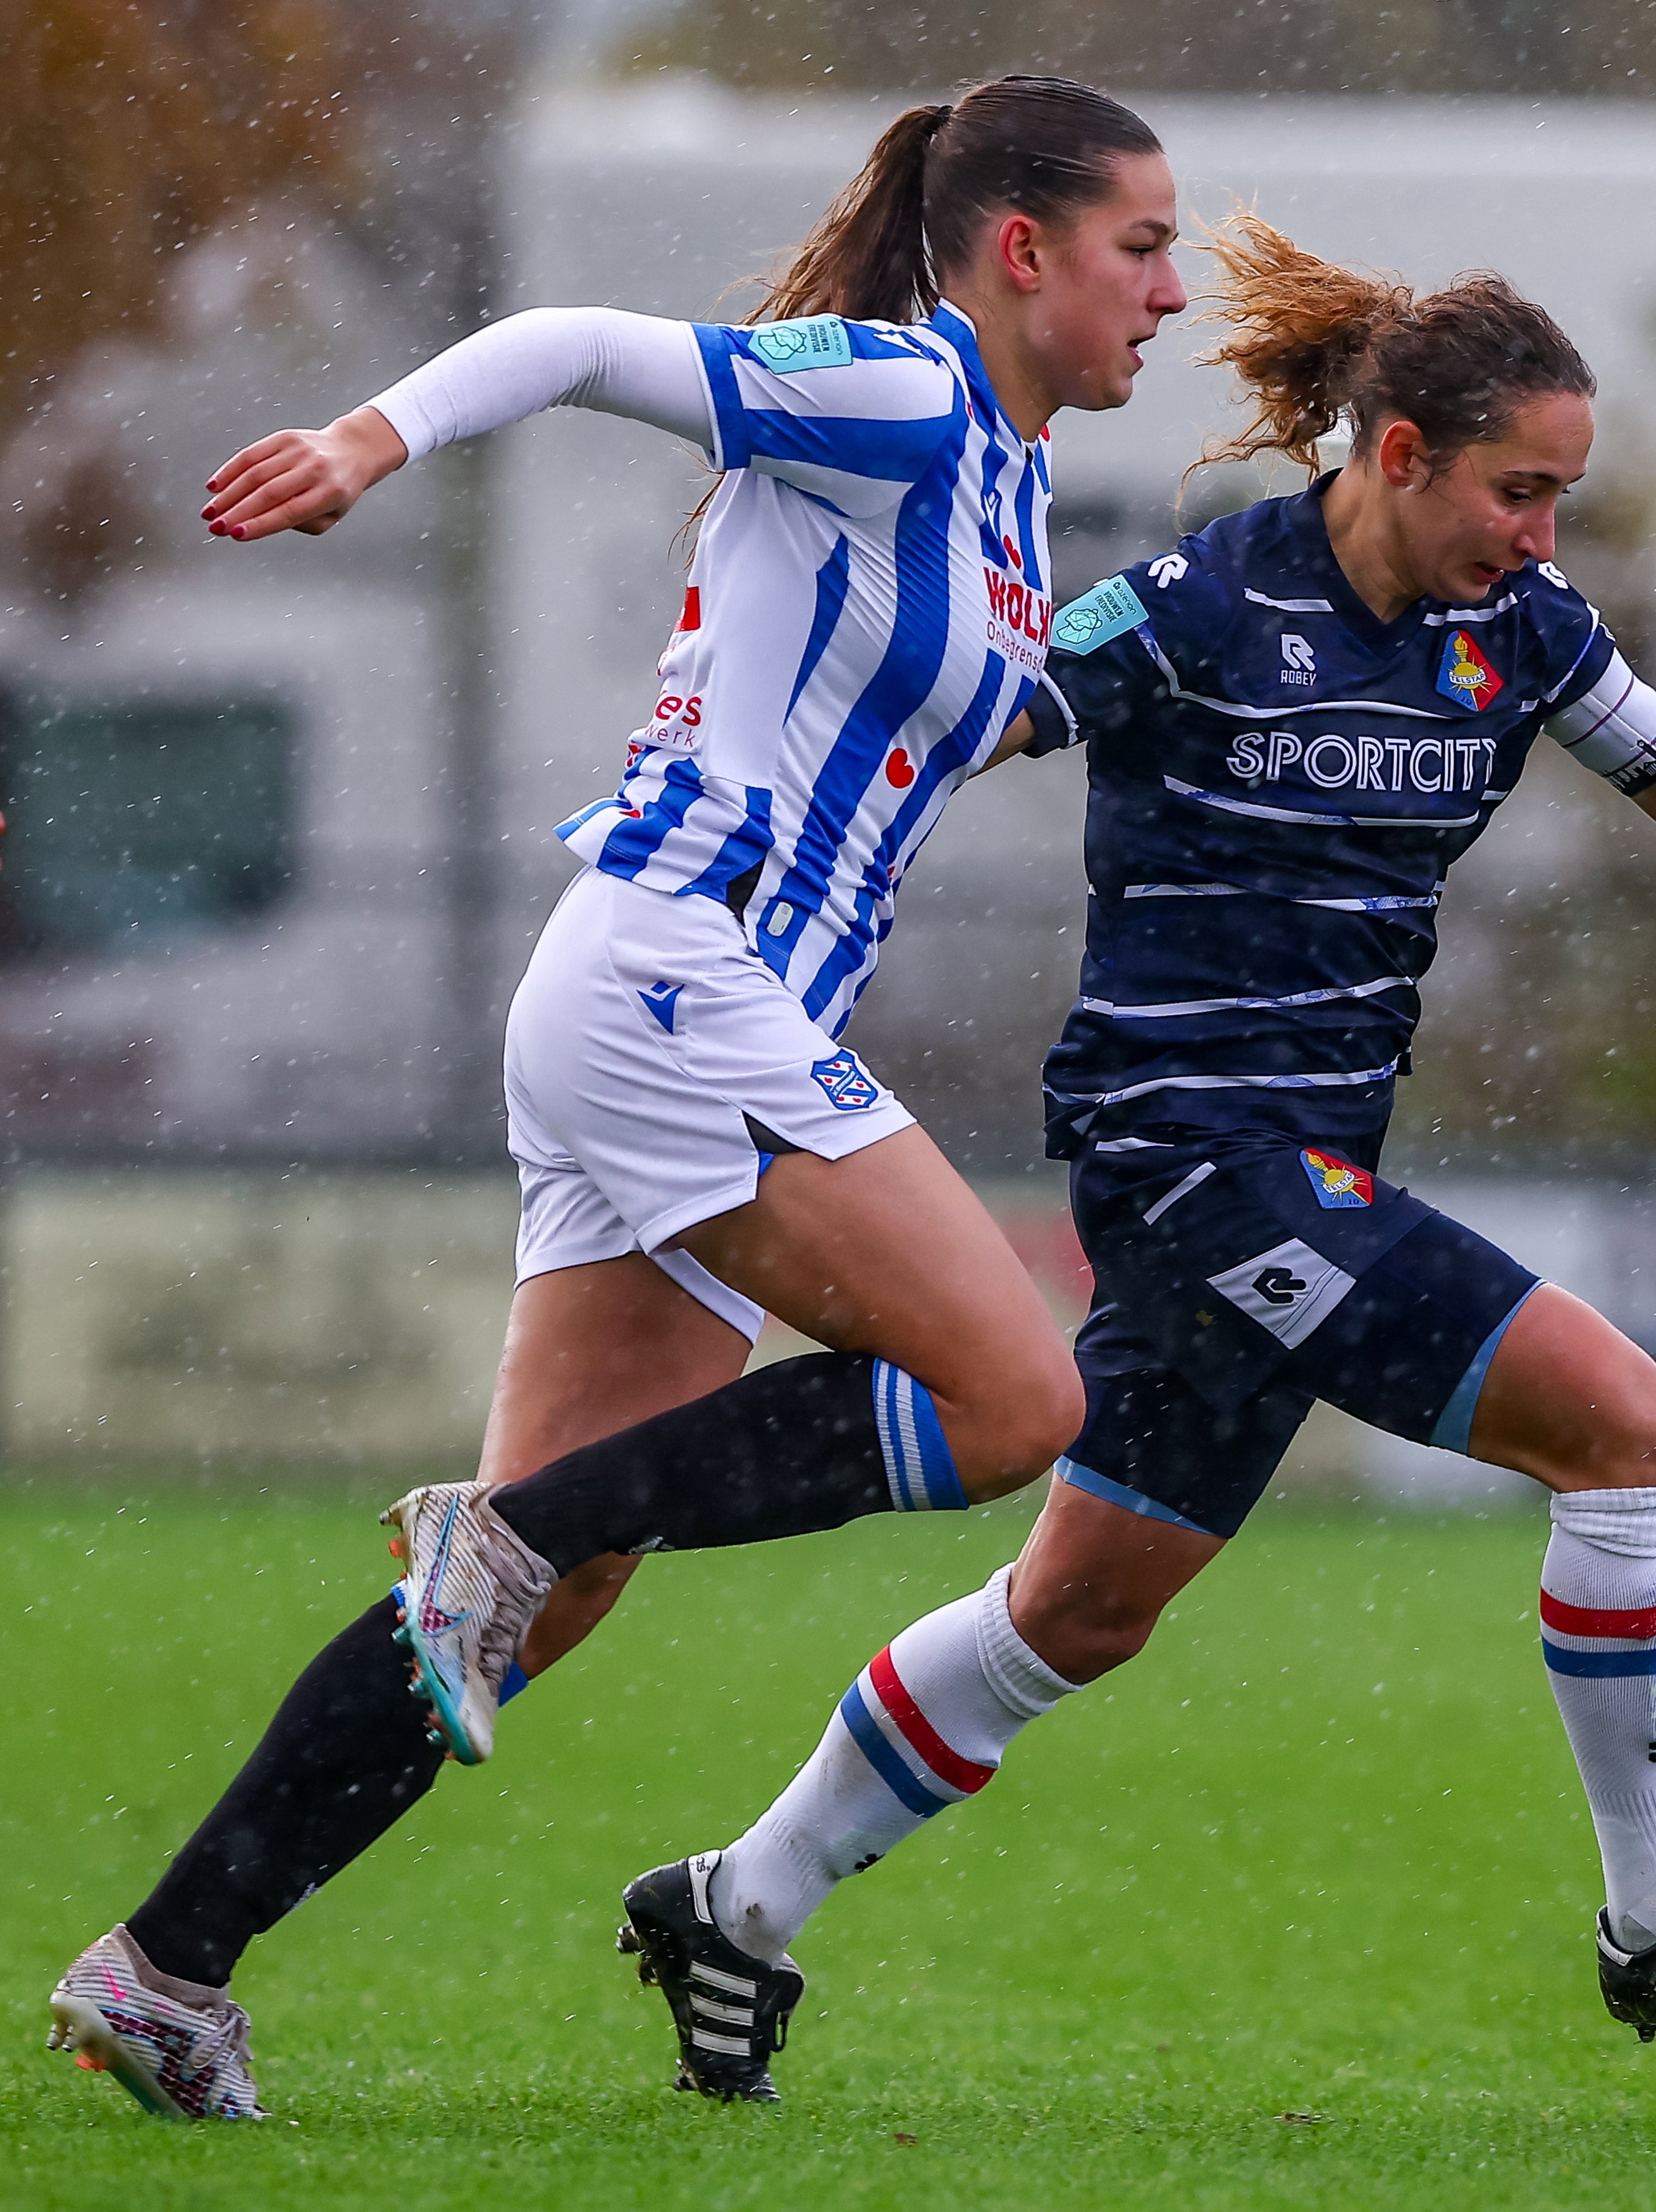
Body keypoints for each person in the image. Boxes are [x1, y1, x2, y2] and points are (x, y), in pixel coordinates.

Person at [604, 214, 1656, 2101]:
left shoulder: (1522, 635)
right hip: (1194, 1164)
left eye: (1561, 498)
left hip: (1303, 1173)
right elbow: (962, 717)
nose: (1541, 532)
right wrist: (743, 855)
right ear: (1395, 455)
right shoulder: (1191, 608)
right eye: (1517, 490)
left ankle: (738, 1898)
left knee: (1077, 1613)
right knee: (1639, 1436)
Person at [44, 77, 1189, 2123]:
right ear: (1021, 250)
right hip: (684, 976)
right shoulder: (903, 395)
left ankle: (167, 1965)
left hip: (652, 997)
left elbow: (993, 703)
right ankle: (500, 1538)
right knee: (1017, 1400)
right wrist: (365, 439)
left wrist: (1213, 615)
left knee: (530, 1603)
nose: (1169, 292)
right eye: (1141, 248)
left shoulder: (1001, 482)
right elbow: (573, 340)